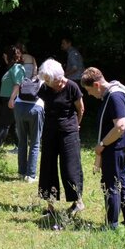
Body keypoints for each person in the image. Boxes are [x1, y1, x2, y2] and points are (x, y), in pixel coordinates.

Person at [81, 67, 125, 229]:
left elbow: (120, 126)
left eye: (89, 90)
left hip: (116, 145)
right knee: (121, 181)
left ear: (97, 85)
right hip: (121, 143)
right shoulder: (113, 93)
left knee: (111, 184)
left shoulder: (114, 96)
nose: (90, 94)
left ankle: (112, 224)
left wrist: (102, 144)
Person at [37, 59, 85, 216]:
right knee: (48, 168)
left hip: (69, 132)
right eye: (48, 81)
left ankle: (77, 202)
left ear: (59, 77)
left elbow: (81, 109)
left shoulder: (72, 87)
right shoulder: (45, 88)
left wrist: (75, 126)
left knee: (70, 168)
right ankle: (50, 207)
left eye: (51, 81)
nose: (50, 84)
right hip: (50, 131)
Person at [13, 72, 45, 183]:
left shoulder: (24, 80)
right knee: (35, 143)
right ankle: (31, 175)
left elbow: (16, 89)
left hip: (19, 107)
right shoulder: (43, 81)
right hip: (36, 108)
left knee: (22, 140)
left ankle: (22, 172)